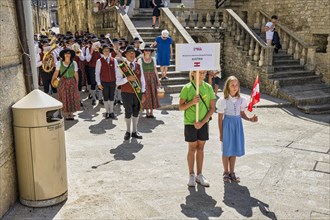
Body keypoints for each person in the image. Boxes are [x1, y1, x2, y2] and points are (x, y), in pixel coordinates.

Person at [216, 76, 258, 183]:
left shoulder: (242, 100)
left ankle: (232, 172)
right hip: (227, 126)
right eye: (232, 85)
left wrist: (250, 119)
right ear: (228, 87)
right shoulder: (223, 101)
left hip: (237, 125)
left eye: (236, 85)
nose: (235, 87)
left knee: (233, 149)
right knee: (226, 150)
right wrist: (221, 133)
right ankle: (225, 172)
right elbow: (220, 118)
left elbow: (242, 114)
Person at [179, 70, 216, 187]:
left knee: (201, 147)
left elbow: (212, 108)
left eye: (203, 73)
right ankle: (191, 174)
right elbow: (181, 107)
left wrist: (202, 122)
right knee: (192, 148)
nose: (202, 75)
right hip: (190, 122)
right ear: (193, 73)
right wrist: (192, 102)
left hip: (203, 123)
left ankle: (200, 175)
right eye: (199, 72)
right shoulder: (187, 88)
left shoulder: (208, 87)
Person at [116, 46, 145, 140]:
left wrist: (143, 92)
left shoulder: (138, 66)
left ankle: (134, 131)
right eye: (130, 53)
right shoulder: (122, 66)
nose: (132, 54)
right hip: (126, 92)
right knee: (128, 111)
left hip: (137, 92)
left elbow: (142, 80)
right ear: (126, 55)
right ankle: (128, 131)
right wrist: (127, 78)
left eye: (133, 53)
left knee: (136, 111)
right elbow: (118, 82)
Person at [52, 48, 80, 120]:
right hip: (63, 82)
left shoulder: (74, 63)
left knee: (71, 97)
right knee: (64, 97)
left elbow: (76, 74)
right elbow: (56, 73)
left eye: (69, 53)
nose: (67, 55)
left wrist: (77, 83)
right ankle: (67, 114)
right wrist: (53, 81)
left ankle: (71, 113)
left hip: (71, 81)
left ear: (71, 55)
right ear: (63, 55)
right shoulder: (59, 63)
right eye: (66, 53)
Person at [138, 45, 161, 118]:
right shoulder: (140, 60)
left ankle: (151, 112)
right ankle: (147, 111)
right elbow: (139, 71)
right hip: (144, 78)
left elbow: (155, 70)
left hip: (152, 78)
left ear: (150, 52)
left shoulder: (153, 59)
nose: (147, 52)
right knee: (146, 94)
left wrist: (158, 80)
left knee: (152, 94)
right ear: (144, 51)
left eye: (149, 50)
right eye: (146, 50)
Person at [95, 45, 118, 119]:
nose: (106, 52)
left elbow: (116, 71)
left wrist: (117, 82)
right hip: (104, 82)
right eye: (105, 51)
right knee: (105, 97)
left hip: (112, 81)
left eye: (108, 51)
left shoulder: (114, 60)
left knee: (112, 96)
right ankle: (107, 111)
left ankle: (111, 111)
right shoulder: (99, 61)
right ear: (102, 52)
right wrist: (98, 83)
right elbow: (97, 73)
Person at [86, 37, 103, 105]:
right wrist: (91, 52)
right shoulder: (88, 49)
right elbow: (88, 59)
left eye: (96, 41)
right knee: (93, 83)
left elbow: (103, 57)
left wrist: (100, 51)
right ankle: (94, 98)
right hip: (92, 68)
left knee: (100, 83)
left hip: (100, 67)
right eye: (93, 41)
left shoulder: (100, 49)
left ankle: (100, 98)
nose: (95, 43)